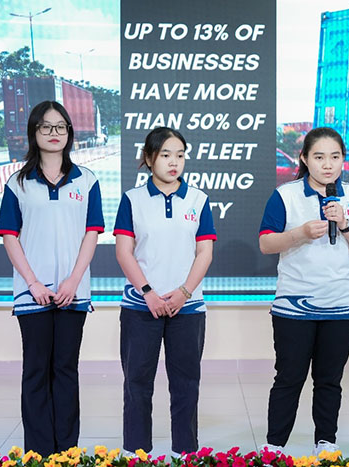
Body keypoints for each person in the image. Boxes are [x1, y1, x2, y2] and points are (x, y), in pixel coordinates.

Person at [258, 127, 349, 455]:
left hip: (341, 305)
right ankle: (274, 447)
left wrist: (346, 224)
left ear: (343, 160)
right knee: (289, 378)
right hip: (294, 306)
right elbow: (266, 242)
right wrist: (298, 234)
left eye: (335, 157)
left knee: (329, 380)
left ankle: (326, 442)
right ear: (304, 158)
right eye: (319, 157)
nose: (327, 164)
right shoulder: (285, 195)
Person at [0, 100, 104, 456]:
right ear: (34, 132)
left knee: (66, 370)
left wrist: (73, 280)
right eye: (46, 126)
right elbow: (10, 235)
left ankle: (66, 453)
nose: (54, 133)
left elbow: (92, 233)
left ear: (70, 132)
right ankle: (38, 455)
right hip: (33, 293)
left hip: (74, 292)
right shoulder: (18, 183)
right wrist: (33, 282)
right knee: (36, 371)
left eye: (60, 126)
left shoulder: (87, 180)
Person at [113, 127, 216, 456]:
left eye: (180, 155)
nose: (174, 162)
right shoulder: (133, 200)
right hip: (140, 306)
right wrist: (148, 292)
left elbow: (205, 253)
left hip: (188, 308)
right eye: (166, 155)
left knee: (186, 384)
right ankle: (136, 453)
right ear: (148, 158)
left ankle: (185, 452)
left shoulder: (198, 200)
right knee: (137, 383)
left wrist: (184, 292)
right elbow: (124, 252)